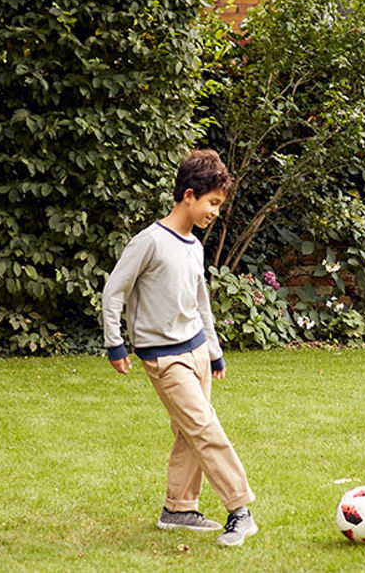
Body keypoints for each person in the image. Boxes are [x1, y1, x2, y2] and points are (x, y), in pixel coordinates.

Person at [101, 149, 258, 547]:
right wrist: (115, 343)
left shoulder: (193, 245)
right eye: (212, 203)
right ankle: (240, 509)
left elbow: (200, 303)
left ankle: (179, 509)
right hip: (164, 358)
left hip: (198, 351)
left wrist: (214, 350)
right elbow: (113, 292)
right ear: (189, 195)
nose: (215, 212)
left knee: (189, 432)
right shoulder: (149, 242)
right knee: (204, 427)